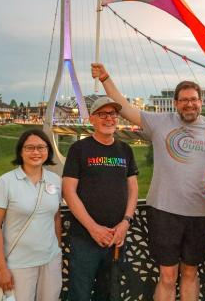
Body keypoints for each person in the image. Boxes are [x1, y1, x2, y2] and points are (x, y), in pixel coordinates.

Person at [91, 63, 205, 301]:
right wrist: (105, 78)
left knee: (190, 272)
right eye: (184, 100)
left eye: (194, 99)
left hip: (200, 213)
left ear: (201, 102)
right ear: (176, 103)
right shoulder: (160, 122)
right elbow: (123, 108)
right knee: (167, 274)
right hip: (164, 212)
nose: (189, 104)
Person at [62, 96, 139, 300]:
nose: (109, 118)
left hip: (116, 238)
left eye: (112, 114)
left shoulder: (125, 150)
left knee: (109, 294)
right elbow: (68, 192)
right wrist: (93, 228)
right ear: (92, 119)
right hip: (85, 239)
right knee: (80, 294)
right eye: (102, 114)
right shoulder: (79, 149)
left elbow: (133, 189)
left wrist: (126, 222)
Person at [0, 129, 63, 301]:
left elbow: (56, 217)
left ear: (48, 151)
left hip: (50, 259)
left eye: (41, 147)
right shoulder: (6, 182)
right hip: (18, 264)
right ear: (21, 151)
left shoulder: (55, 181)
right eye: (29, 148)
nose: (36, 152)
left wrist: (58, 248)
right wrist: (2, 268)